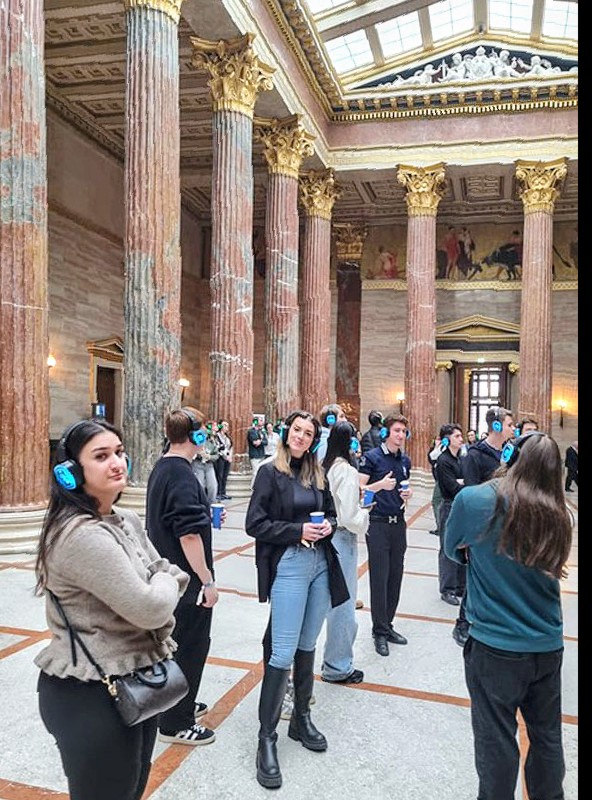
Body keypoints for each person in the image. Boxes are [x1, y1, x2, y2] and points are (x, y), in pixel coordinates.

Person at [35, 419, 189, 800]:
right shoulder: (80, 535)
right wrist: (163, 581)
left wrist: (162, 582)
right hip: (90, 694)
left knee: (132, 787)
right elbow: (154, 605)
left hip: (137, 682)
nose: (117, 462)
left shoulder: (125, 520)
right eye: (101, 456)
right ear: (71, 473)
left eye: (119, 452)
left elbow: (170, 580)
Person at [444, 431, 573, 800]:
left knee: (496, 740)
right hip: (547, 645)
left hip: (494, 645)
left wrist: (480, 553)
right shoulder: (561, 514)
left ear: (513, 457)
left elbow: (453, 550)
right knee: (547, 736)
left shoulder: (475, 500)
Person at [245, 410, 349, 789]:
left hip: (321, 564)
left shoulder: (317, 474)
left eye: (309, 433)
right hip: (289, 563)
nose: (302, 437)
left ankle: (300, 719)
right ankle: (266, 738)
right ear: (287, 433)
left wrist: (327, 526)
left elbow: (335, 516)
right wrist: (297, 530)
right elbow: (254, 523)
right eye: (297, 431)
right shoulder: (270, 474)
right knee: (282, 651)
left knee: (308, 645)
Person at [146, 407, 220, 746]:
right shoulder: (182, 475)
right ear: (196, 436)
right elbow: (189, 535)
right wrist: (206, 580)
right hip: (187, 583)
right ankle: (176, 722)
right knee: (191, 647)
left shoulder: (163, 467)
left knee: (174, 648)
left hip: (168, 577)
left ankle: (178, 702)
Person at [451, 406, 514, 646]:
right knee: (475, 577)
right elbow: (469, 495)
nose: (512, 429)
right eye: (509, 424)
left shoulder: (510, 453)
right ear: (496, 426)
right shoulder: (474, 455)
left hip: (505, 524)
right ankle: (462, 623)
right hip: (483, 526)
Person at [358, 413, 412, 656]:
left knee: (395, 576)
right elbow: (359, 491)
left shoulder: (405, 461)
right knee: (379, 578)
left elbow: (403, 488)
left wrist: (405, 497)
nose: (401, 435)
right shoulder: (372, 458)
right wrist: (378, 486)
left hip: (398, 523)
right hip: (377, 524)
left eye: (403, 431)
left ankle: (388, 625)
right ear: (386, 433)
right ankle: (378, 631)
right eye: (397, 430)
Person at [320, 421, 369, 684]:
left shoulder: (324, 466)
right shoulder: (346, 471)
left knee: (330, 600)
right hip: (342, 537)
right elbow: (349, 516)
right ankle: (338, 665)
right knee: (343, 603)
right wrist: (365, 514)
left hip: (326, 536)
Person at [433, 424, 466, 606]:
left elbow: (466, 481)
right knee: (447, 548)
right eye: (457, 436)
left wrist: (462, 482)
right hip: (448, 506)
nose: (461, 439)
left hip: (460, 506)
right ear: (447, 440)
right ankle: (447, 589)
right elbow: (452, 487)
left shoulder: (460, 459)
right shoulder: (444, 461)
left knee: (461, 546)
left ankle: (460, 585)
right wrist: (462, 483)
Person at [214, 419, 233, 500]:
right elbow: (219, 448)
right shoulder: (217, 436)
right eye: (224, 425)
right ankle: (218, 492)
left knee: (225, 475)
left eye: (227, 426)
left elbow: (230, 446)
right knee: (219, 475)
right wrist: (226, 456)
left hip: (227, 458)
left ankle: (223, 492)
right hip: (220, 458)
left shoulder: (227, 437)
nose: (226, 427)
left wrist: (230, 456)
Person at [247, 417, 268, 483]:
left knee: (261, 473)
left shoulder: (262, 431)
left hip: (261, 454)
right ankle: (253, 489)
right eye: (260, 420)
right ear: (256, 422)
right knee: (255, 473)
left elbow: (266, 442)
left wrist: (260, 441)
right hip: (255, 455)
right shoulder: (251, 431)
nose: (262, 421)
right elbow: (254, 443)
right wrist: (260, 441)